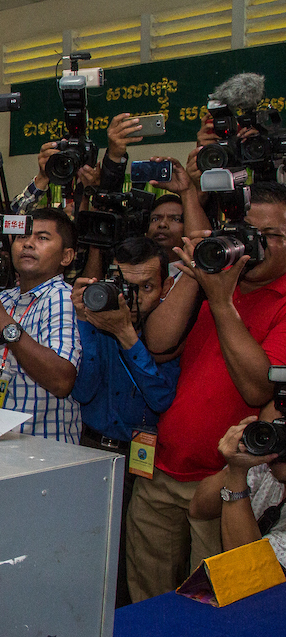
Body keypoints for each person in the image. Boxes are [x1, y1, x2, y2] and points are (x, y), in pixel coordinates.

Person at [126, 182, 286, 601]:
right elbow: (158, 345)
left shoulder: (281, 301)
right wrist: (198, 278)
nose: (255, 244)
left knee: (211, 608)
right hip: (161, 467)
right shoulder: (217, 280)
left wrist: (221, 302)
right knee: (146, 598)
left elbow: (257, 388)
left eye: (270, 236)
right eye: (247, 230)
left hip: (225, 485)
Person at [71, 236, 180, 606]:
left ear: (165, 288)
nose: (133, 299)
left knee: (131, 564)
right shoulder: (102, 321)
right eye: (125, 287)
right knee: (84, 554)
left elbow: (161, 397)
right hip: (91, 449)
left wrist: (127, 335)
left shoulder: (170, 334)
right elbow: (83, 390)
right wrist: (88, 320)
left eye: (146, 288)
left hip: (140, 464)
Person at [0, 208, 82, 442]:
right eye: (22, 237)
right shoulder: (3, 299)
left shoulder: (63, 297)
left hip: (43, 449)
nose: (28, 244)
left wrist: (5, 325)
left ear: (66, 257)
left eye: (42, 238)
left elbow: (61, 381)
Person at [190, 407, 286, 568]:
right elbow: (199, 509)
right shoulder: (265, 464)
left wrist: (236, 476)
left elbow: (247, 568)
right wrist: (235, 463)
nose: (277, 444)